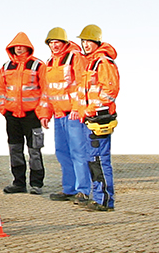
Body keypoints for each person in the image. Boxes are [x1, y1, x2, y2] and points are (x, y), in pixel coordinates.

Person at [38, 27, 90, 205]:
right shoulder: (50, 62)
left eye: (56, 42)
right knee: (62, 152)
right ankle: (69, 189)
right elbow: (46, 91)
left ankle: (83, 190)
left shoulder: (75, 57)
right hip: (59, 116)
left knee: (79, 152)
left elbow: (82, 85)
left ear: (64, 43)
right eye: (51, 43)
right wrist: (45, 113)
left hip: (74, 115)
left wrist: (78, 108)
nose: (54, 46)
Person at [74, 24, 120, 211]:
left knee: (99, 160)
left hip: (100, 118)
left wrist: (92, 109)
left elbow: (110, 91)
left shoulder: (103, 62)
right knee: (93, 160)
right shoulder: (90, 63)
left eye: (88, 41)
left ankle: (104, 200)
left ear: (96, 42)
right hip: (90, 119)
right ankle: (100, 197)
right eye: (83, 41)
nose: (85, 45)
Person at [0, 32, 47, 194]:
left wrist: (40, 111)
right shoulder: (5, 67)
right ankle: (18, 183)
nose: (18, 48)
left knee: (34, 149)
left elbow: (45, 89)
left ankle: (36, 184)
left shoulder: (38, 65)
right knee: (15, 149)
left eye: (21, 46)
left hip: (32, 115)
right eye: (15, 46)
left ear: (28, 47)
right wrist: (3, 108)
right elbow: (1, 89)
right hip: (12, 116)